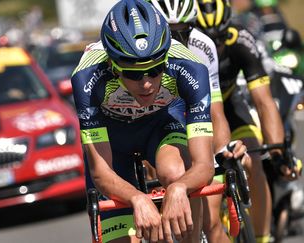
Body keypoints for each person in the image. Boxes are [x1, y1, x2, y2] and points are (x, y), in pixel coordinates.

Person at [72, 0, 220, 242]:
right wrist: (137, 198)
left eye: (155, 70)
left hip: (159, 127)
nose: (147, 83)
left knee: (176, 172)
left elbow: (203, 165)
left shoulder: (190, 66)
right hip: (113, 141)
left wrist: (179, 187)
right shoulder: (87, 77)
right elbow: (101, 172)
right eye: (132, 73)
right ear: (112, 64)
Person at [195, 0, 300, 242]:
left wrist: (277, 152)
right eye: (207, 38)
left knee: (254, 163)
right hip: (198, 115)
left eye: (219, 38)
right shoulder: (186, 46)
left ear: (228, 28)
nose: (215, 46)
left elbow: (264, 102)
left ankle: (263, 237)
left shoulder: (242, 40)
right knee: (209, 190)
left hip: (232, 107)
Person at [149, 0, 244, 242]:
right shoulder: (143, 54)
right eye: (169, 33)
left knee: (211, 223)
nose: (177, 40)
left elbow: (215, 111)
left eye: (184, 31)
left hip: (191, 121)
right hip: (157, 123)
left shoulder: (202, 47)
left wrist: (223, 152)